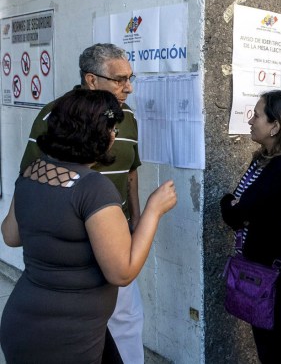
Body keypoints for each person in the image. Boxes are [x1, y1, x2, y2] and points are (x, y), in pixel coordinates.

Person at [0, 89, 176, 363]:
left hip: (23, 322)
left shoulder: (31, 173)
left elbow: (11, 235)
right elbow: (122, 273)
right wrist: (153, 210)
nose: (114, 135)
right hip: (67, 338)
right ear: (95, 135)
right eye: (111, 129)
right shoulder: (93, 188)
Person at [19, 43, 145, 363]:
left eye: (131, 78)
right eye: (119, 79)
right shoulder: (55, 114)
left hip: (118, 238)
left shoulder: (127, 116)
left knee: (126, 323)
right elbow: (30, 178)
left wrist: (138, 222)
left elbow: (130, 173)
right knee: (78, 332)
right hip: (70, 246)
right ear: (91, 80)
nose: (128, 87)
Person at [220, 90, 281, 363]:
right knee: (268, 344)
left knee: (272, 348)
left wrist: (228, 201)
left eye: (257, 115)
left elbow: (237, 213)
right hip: (263, 269)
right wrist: (238, 207)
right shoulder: (263, 161)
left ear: (276, 126)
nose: (250, 120)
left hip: (276, 274)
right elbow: (242, 211)